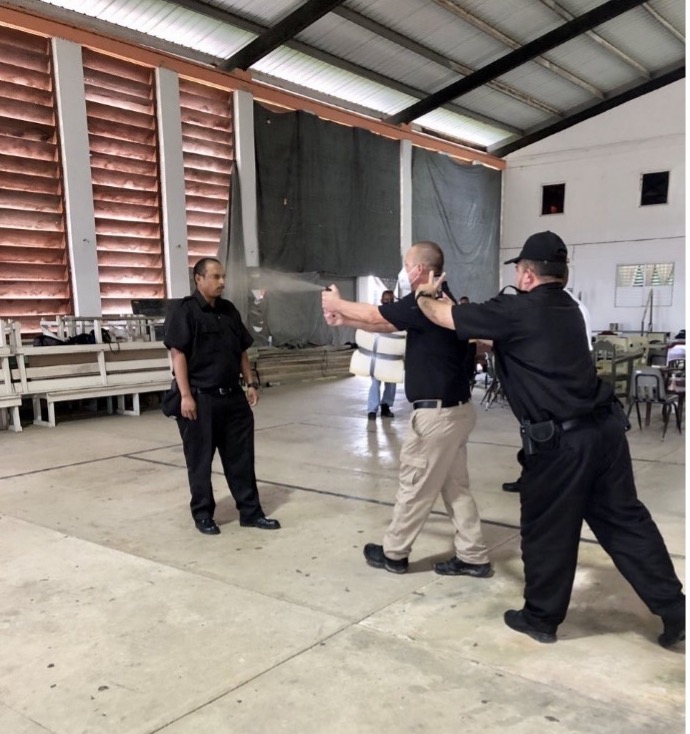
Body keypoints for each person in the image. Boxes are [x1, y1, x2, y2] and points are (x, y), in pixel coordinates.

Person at [413, 231, 685, 647]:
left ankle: (540, 618)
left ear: (525, 275)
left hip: (561, 446)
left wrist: (425, 293)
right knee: (627, 524)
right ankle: (676, 610)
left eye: (519, 270)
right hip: (606, 434)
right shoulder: (570, 310)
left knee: (547, 531)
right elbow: (523, 345)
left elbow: (444, 316)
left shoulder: (516, 309)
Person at [322, 241, 490, 578]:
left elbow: (374, 315)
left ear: (418, 270)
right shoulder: (440, 301)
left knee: (414, 486)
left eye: (405, 265)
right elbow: (385, 324)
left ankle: (394, 553)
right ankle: (473, 555)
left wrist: (337, 302)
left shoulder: (426, 300)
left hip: (436, 418)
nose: (403, 271)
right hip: (456, 412)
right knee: (456, 489)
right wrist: (343, 319)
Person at [164, 257, 280, 535]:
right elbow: (178, 354)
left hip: (232, 399)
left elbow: (241, 350)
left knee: (241, 458)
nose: (222, 282)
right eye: (215, 277)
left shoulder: (228, 310)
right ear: (199, 279)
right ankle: (203, 514)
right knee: (200, 461)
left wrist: (251, 382)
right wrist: (185, 396)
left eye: (223, 276)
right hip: (200, 400)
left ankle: (251, 512)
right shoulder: (184, 310)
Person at [502, 273, 592, 493]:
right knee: (535, 435)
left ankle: (542, 481)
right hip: (553, 389)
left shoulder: (557, 307)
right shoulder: (566, 304)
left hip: (557, 393)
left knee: (549, 437)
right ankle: (530, 476)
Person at [367, 290, 397, 421]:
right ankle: (372, 410)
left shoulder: (398, 317)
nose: (388, 302)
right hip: (377, 355)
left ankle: (386, 406)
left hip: (391, 355)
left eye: (390, 300)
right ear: (381, 300)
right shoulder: (375, 315)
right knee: (375, 383)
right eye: (386, 300)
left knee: (391, 383)